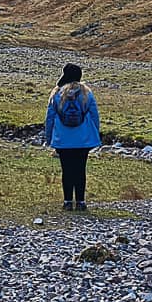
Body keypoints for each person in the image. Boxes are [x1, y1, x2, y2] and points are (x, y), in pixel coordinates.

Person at [42, 62, 101, 211]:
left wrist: (49, 138)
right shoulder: (87, 93)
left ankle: (68, 201)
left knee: (66, 170)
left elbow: (50, 117)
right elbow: (94, 115)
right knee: (80, 170)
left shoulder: (57, 93)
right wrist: (94, 135)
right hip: (83, 139)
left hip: (63, 139)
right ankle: (81, 202)